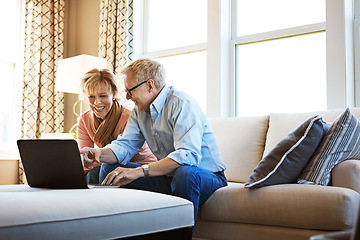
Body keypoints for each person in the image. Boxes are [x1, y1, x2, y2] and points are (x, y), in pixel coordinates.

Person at [80, 59, 227, 224]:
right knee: (110, 168)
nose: (127, 97)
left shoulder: (181, 103)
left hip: (206, 176)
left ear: (150, 85)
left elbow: (187, 156)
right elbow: (124, 145)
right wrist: (96, 153)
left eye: (130, 90)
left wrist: (140, 171)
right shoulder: (139, 112)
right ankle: (113, 230)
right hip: (168, 177)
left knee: (185, 173)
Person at [77, 68, 157, 184]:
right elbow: (87, 159)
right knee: (90, 173)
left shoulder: (130, 117)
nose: (97, 102)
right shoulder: (84, 120)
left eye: (103, 96)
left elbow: (125, 154)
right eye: (91, 97)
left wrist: (96, 157)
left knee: (105, 168)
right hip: (105, 163)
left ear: (114, 94)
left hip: (140, 167)